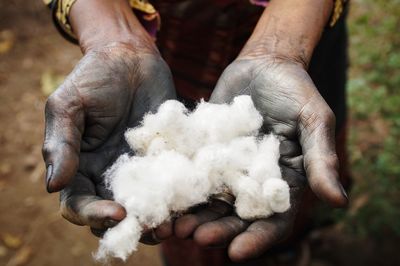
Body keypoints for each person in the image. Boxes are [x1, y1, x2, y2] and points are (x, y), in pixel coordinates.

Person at [42, 0, 351, 265]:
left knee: (302, 159)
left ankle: (290, 249)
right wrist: (113, 37)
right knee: (190, 232)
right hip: (165, 45)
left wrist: (282, 48)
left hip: (301, 26)